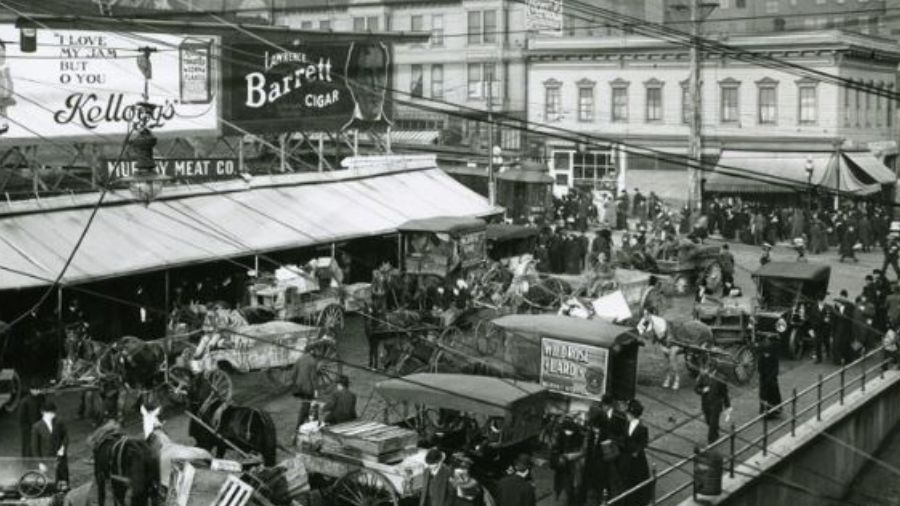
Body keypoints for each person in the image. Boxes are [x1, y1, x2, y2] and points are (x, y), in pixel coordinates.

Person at [618, 400, 651, 506]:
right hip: (626, 456)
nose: (627, 415)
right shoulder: (627, 424)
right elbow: (624, 437)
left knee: (636, 479)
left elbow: (644, 443)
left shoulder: (642, 428)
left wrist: (636, 451)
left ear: (632, 414)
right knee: (625, 479)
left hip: (637, 459)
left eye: (628, 414)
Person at [31, 400, 68, 484]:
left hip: (60, 459)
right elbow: (35, 447)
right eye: (49, 413)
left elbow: (65, 437)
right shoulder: (37, 427)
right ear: (43, 412)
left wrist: (63, 448)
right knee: (50, 483)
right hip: (47, 460)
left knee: (63, 482)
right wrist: (39, 462)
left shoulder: (59, 423)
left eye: (53, 413)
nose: (52, 415)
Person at [695, 363, 732, 444]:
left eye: (711, 372)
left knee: (712, 424)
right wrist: (702, 390)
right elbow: (696, 388)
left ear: (715, 370)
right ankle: (716, 432)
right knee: (708, 421)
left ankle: (711, 441)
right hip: (706, 405)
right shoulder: (703, 376)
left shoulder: (721, 379)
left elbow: (724, 394)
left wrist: (728, 406)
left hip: (716, 405)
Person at [291, 346, 318, 443]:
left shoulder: (299, 359)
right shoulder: (312, 360)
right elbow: (313, 378)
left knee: (305, 406)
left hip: (300, 388)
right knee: (310, 408)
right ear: (312, 350)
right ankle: (302, 431)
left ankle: (301, 430)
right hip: (308, 389)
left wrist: (297, 384)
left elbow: (293, 375)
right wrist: (315, 390)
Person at [756, 335, 782, 418]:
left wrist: (771, 377)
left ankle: (774, 411)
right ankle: (764, 411)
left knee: (773, 395)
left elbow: (776, 368)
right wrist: (763, 376)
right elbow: (760, 368)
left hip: (772, 380)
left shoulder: (774, 357)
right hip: (764, 379)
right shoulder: (761, 358)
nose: (766, 354)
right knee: (763, 395)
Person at [18, 381, 44, 457]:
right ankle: (27, 461)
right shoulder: (25, 402)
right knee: (28, 445)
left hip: (38, 425)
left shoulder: (41, 398)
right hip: (28, 428)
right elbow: (22, 417)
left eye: (38, 389)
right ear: (31, 390)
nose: (37, 391)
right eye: (36, 389)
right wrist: (27, 428)